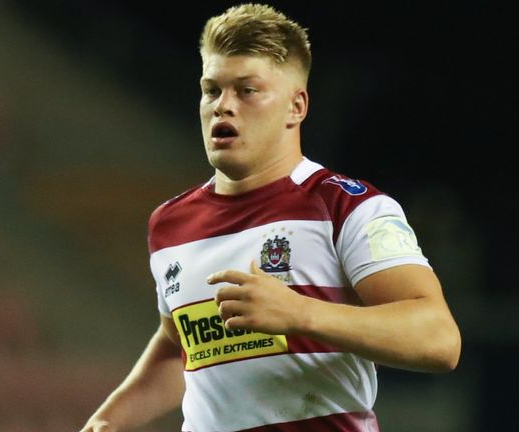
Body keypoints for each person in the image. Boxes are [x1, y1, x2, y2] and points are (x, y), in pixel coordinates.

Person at [81, 3, 461, 431]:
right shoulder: (170, 224)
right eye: (212, 90)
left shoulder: (347, 207)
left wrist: (301, 314)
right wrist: (109, 420)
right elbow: (178, 346)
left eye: (247, 90)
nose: (223, 106)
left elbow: (439, 339)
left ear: (296, 106)